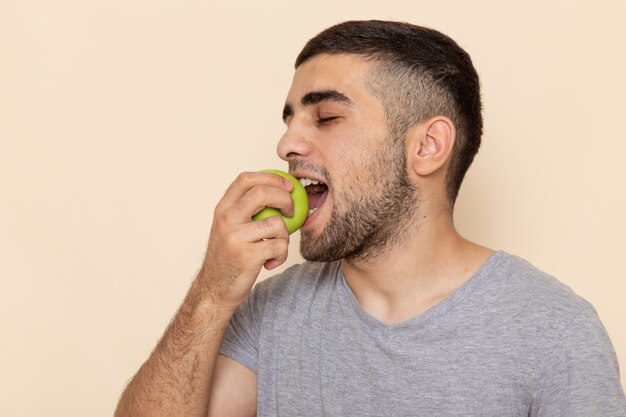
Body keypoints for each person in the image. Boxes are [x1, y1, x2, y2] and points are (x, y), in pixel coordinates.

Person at [115, 20, 626, 416]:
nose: (287, 143)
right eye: (290, 118)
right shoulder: (271, 312)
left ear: (426, 146)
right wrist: (211, 292)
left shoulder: (554, 331)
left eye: (327, 117)